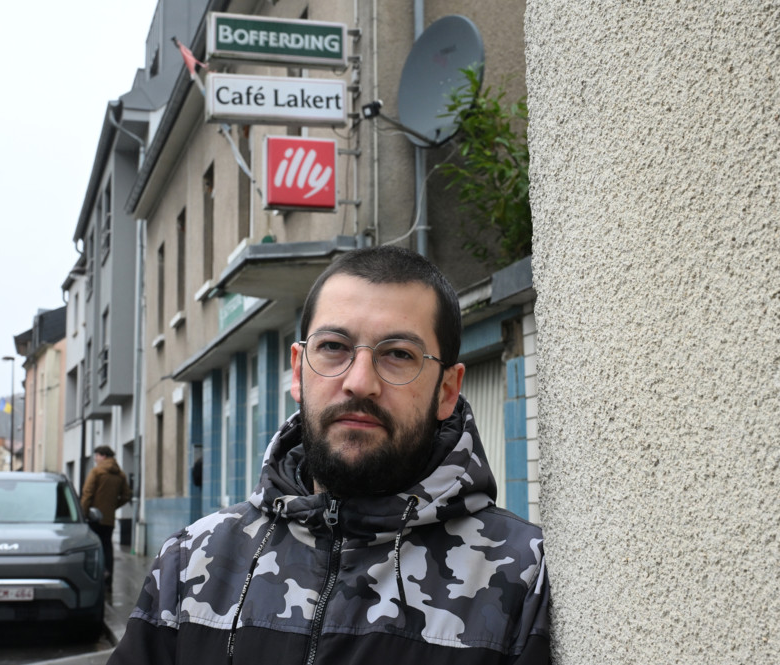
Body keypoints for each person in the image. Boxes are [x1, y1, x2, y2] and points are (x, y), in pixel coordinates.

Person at [108, 246, 550, 664]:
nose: (360, 382)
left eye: (398, 354)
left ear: (447, 390)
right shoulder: (190, 561)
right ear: (298, 371)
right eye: (334, 347)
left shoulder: (521, 576)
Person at [81, 445, 131, 590]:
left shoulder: (96, 472)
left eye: (96, 456)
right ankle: (108, 582)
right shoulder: (120, 474)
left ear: (103, 456)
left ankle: (95, 579)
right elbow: (126, 495)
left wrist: (84, 514)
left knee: (93, 549)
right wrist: (112, 507)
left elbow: (87, 494)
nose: (95, 459)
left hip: (93, 518)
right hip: (108, 519)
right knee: (107, 547)